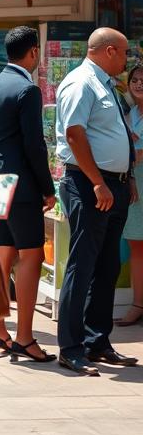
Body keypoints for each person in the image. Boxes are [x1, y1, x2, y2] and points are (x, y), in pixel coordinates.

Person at [54, 27, 137, 375]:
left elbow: (113, 134)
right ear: (109, 51)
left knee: (107, 266)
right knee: (83, 265)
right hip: (90, 185)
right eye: (125, 52)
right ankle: (70, 347)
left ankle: (97, 341)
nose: (128, 59)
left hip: (113, 185)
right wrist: (98, 182)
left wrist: (127, 178)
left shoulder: (106, 84)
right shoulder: (81, 83)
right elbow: (74, 135)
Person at [0, 26, 57, 363]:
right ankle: (24, 337)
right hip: (21, 184)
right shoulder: (27, 89)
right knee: (31, 256)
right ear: (34, 52)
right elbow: (34, 145)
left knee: (2, 254)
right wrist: (47, 188)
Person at [116, 62, 143, 326]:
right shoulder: (129, 113)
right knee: (137, 244)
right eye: (135, 80)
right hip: (135, 185)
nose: (139, 84)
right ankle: (138, 303)